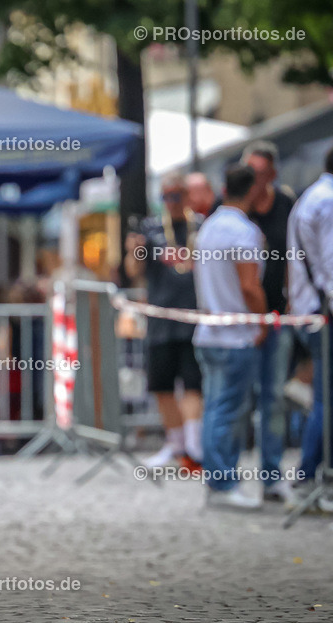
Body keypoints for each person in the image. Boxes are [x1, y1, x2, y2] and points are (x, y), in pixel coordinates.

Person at [287, 139, 333, 504]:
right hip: (326, 314)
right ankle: (315, 477)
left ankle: (314, 476)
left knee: (332, 397)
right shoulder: (331, 201)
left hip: (313, 311)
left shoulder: (314, 197)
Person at [192, 165, 266, 510]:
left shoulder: (208, 228)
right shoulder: (242, 231)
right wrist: (262, 322)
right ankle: (223, 482)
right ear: (252, 190)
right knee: (229, 411)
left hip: (209, 332)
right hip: (234, 335)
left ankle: (217, 480)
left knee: (215, 408)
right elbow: (250, 286)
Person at [124, 173, 203, 472]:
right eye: (166, 196)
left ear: (186, 195)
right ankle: (176, 443)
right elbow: (134, 271)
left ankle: (194, 446)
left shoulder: (201, 226)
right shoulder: (151, 229)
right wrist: (135, 249)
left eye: (176, 195)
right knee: (162, 386)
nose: (171, 202)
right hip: (161, 320)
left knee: (193, 383)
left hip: (194, 318)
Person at [241, 141, 298, 505]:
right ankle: (226, 478)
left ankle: (271, 476)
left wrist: (292, 300)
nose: (254, 181)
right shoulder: (235, 206)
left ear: (273, 174)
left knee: (273, 398)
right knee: (237, 400)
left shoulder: (286, 206)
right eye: (249, 173)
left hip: (277, 316)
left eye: (259, 173)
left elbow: (294, 254)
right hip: (242, 319)